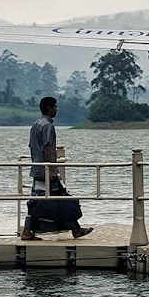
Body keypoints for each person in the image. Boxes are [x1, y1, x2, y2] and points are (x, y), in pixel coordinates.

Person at [21, 96, 92, 240]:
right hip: (47, 171)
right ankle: (75, 229)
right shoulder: (48, 126)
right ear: (49, 108)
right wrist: (52, 169)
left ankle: (29, 231)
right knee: (62, 199)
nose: (56, 109)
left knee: (37, 201)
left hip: (37, 169)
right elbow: (48, 148)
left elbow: (32, 147)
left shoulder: (35, 125)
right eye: (55, 107)